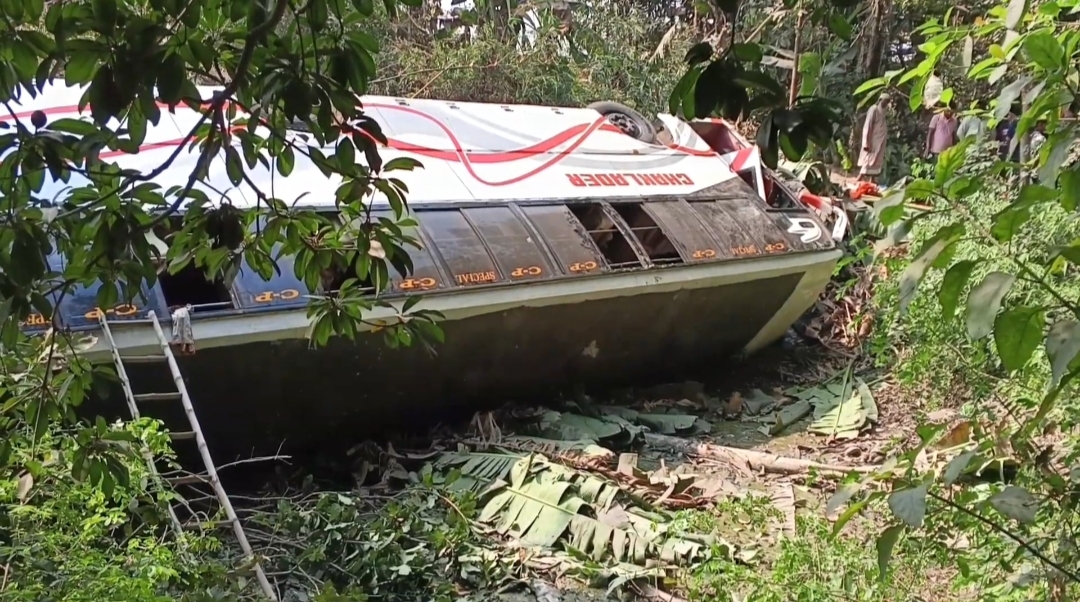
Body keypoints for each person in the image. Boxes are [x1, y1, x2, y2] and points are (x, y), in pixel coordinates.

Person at [857, 93, 890, 183]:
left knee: (877, 160)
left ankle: (872, 180)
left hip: (880, 140)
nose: (886, 103)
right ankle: (859, 179)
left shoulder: (884, 110)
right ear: (880, 100)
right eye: (885, 101)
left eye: (887, 102)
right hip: (873, 139)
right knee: (868, 160)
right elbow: (868, 126)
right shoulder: (873, 109)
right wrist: (866, 142)